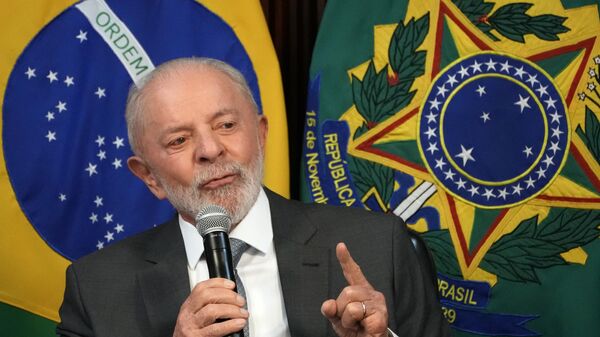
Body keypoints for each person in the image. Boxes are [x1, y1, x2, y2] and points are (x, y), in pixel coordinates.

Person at [57, 57, 449, 337]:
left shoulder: (380, 247)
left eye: (226, 125)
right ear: (148, 177)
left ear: (260, 135)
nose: (210, 149)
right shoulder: (96, 288)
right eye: (179, 140)